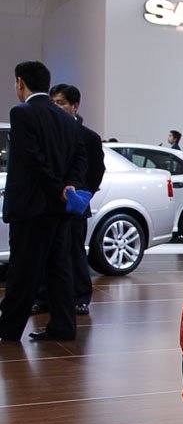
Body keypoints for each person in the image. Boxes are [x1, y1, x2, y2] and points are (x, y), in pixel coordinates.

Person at [0, 61, 87, 342]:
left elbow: (32, 159)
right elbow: (79, 158)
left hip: (30, 208)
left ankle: (8, 330)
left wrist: (57, 188)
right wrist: (68, 186)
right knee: (58, 270)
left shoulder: (22, 113)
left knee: (22, 271)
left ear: (20, 82)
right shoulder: (68, 119)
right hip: (58, 210)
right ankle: (63, 326)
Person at [31, 84, 105, 316]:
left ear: (75, 106)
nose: (56, 107)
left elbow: (96, 170)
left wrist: (82, 194)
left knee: (74, 251)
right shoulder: (45, 132)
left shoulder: (89, 137)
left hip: (74, 205)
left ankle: (80, 297)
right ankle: (43, 298)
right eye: (53, 102)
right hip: (48, 204)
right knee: (45, 253)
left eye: (61, 103)